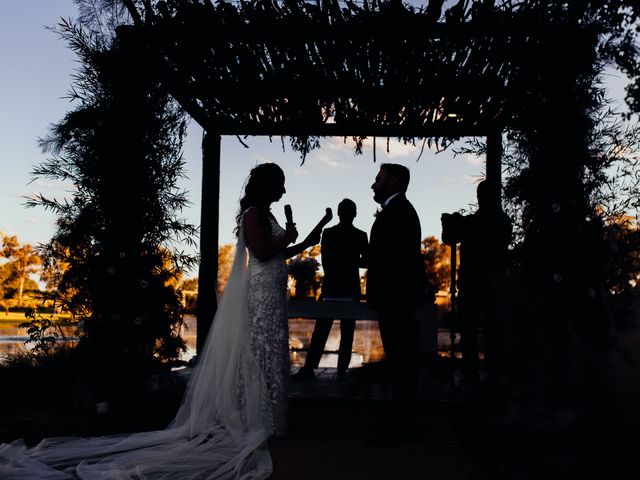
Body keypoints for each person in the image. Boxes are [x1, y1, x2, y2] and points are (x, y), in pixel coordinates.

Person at [0, 163, 325, 479]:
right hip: (260, 296)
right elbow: (264, 251)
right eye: (280, 183)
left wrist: (300, 238)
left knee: (270, 351)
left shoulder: (265, 214)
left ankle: (269, 418)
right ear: (268, 185)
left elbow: (278, 251)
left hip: (272, 295)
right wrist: (287, 239)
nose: (284, 189)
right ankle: (255, 419)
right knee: (257, 352)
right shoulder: (253, 212)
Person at [366, 163, 427, 446]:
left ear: (394, 181)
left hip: (396, 299)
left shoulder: (400, 212)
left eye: (378, 179)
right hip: (394, 299)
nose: (373, 184)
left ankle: (403, 427)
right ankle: (399, 419)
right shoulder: (398, 210)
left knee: (402, 362)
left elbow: (395, 260)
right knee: (399, 361)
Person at [441, 179, 512, 388]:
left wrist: (448, 222)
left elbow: (449, 238)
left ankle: (471, 376)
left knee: (470, 333)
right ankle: (494, 376)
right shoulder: (504, 222)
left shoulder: (472, 223)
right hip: (494, 286)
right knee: (493, 333)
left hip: (472, 286)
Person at [292, 198, 368, 382]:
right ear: (352, 213)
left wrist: (344, 260)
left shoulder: (339, 233)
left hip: (340, 288)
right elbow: (362, 261)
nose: (348, 214)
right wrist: (351, 261)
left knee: (331, 331)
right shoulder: (353, 235)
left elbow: (332, 261)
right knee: (330, 330)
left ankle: (320, 368)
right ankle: (334, 370)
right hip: (340, 288)